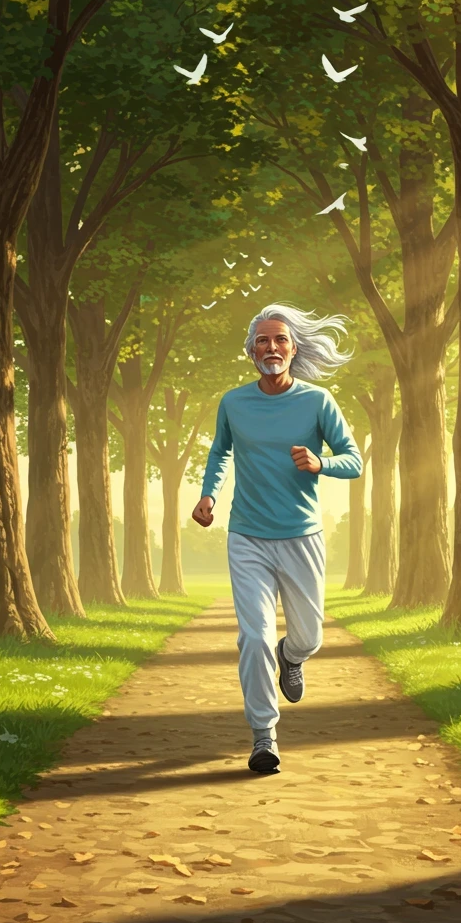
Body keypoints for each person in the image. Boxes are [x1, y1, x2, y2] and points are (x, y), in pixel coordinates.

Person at [192, 303, 363, 774]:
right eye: (263, 341)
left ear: (293, 348)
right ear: (251, 352)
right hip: (247, 535)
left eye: (280, 340)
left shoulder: (317, 401)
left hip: (301, 535)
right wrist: (208, 495)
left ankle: (293, 656)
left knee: (308, 636)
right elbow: (220, 452)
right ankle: (263, 735)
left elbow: (354, 459)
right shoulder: (234, 402)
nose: (272, 347)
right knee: (253, 637)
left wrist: (320, 462)